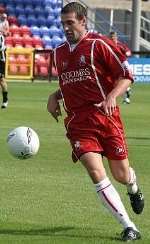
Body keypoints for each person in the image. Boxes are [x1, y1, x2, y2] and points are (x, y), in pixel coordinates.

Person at [47, 2, 144, 241]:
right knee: (95, 171)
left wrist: (112, 95)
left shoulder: (99, 45)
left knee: (121, 174)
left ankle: (133, 187)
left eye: (70, 23)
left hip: (106, 118)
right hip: (79, 123)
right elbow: (69, 83)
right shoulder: (58, 52)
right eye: (63, 24)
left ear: (83, 21)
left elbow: (127, 75)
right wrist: (54, 96)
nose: (66, 28)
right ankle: (129, 225)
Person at [109, 31, 132, 104]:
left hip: (120, 67)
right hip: (111, 67)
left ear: (116, 37)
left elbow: (128, 52)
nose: (112, 38)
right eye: (111, 36)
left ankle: (127, 97)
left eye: (113, 36)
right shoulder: (107, 45)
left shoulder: (120, 45)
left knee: (121, 82)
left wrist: (125, 54)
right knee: (114, 83)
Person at [0, 13, 9, 109]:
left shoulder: (1, 37)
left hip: (0, 60)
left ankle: (5, 100)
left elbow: (1, 47)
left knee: (1, 80)